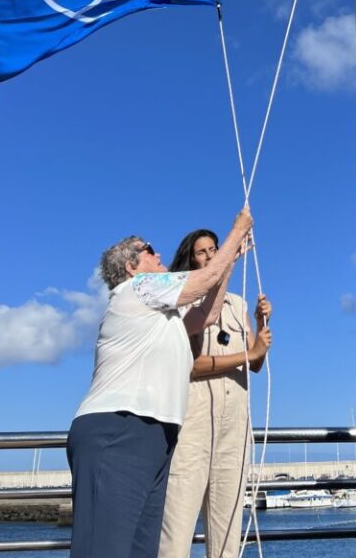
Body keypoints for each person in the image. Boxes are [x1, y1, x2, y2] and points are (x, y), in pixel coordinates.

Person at [66, 206, 253, 558]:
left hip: (155, 434)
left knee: (141, 550)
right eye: (150, 249)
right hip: (118, 429)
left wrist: (228, 262)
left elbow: (206, 314)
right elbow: (204, 279)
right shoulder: (139, 288)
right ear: (130, 266)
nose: (159, 253)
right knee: (104, 550)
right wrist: (238, 229)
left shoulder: (160, 311)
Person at [158, 229, 273, 558]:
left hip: (234, 427)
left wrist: (258, 323)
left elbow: (256, 365)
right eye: (201, 252)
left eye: (213, 250)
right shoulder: (183, 302)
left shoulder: (237, 304)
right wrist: (249, 355)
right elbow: (190, 365)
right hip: (193, 424)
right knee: (176, 528)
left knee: (228, 532)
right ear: (190, 259)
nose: (209, 256)